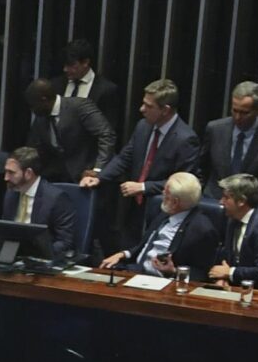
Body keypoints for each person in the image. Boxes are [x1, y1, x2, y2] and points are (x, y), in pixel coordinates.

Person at [81, 79, 203, 250]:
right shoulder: (143, 126)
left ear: (165, 110)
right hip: (133, 210)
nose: (142, 109)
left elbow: (184, 183)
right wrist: (100, 178)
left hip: (162, 211)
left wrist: (144, 187)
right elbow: (125, 158)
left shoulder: (186, 139)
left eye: (149, 106)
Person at [95, 172, 218, 278]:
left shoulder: (202, 229)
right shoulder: (165, 213)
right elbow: (144, 246)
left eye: (166, 192)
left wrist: (174, 271)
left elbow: (203, 273)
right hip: (135, 271)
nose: (162, 193)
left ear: (175, 202)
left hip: (161, 283)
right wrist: (122, 254)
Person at [205, 81, 258, 200]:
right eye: (234, 110)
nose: (238, 117)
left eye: (244, 113)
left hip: (248, 211)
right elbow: (201, 169)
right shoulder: (215, 129)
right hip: (213, 205)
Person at [24, 77, 115, 184]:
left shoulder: (79, 106)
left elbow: (106, 134)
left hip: (86, 177)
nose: (32, 110)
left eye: (33, 105)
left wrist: (98, 169)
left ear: (44, 100)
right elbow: (34, 148)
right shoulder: (41, 118)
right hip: (55, 179)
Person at [209, 172, 258, 290]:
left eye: (226, 197)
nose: (221, 202)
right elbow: (227, 258)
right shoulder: (233, 219)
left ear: (241, 201)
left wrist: (230, 273)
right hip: (245, 289)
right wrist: (223, 278)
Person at [1, 146, 83, 261]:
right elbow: (4, 230)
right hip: (13, 257)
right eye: (6, 171)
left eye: (11, 173)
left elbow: (65, 242)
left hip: (42, 260)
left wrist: (37, 254)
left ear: (28, 173)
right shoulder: (11, 193)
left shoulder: (56, 198)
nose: (6, 178)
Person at [59, 38, 123, 120]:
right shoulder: (56, 85)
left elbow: (108, 128)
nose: (65, 69)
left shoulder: (106, 90)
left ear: (85, 62)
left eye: (71, 65)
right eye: (65, 64)